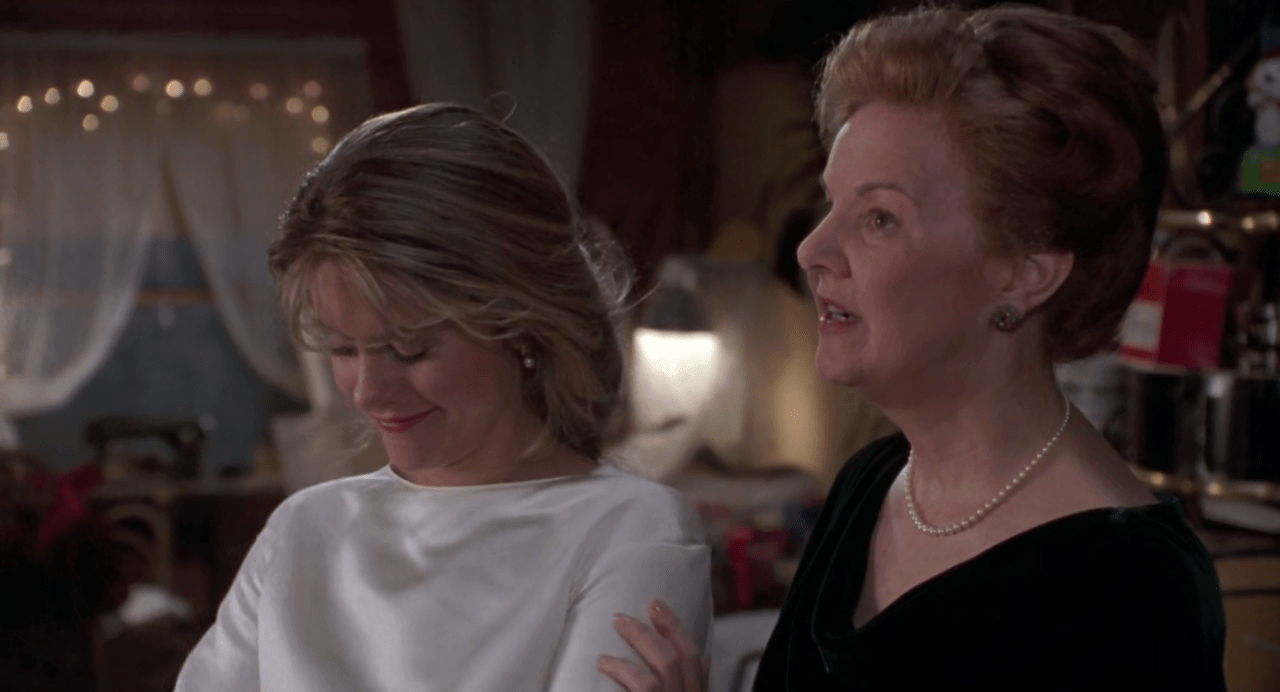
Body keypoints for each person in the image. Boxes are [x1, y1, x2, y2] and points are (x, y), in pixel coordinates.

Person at [600, 6, 1227, 691]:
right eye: (831, 205)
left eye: (880, 219)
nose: (812, 249)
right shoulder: (869, 484)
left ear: (1024, 272)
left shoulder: (1131, 588)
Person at [174, 103, 713, 691]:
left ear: (523, 323)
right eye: (342, 348)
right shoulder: (301, 530)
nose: (368, 392)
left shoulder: (632, 529)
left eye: (409, 350)